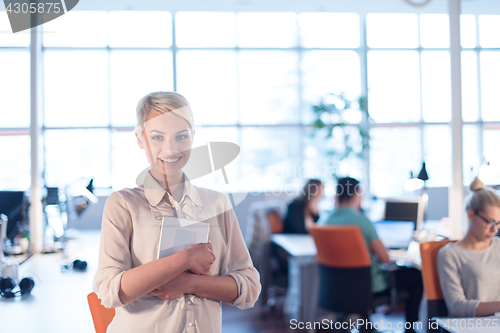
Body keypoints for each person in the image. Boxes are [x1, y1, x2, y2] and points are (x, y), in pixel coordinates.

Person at [93, 91, 261, 333]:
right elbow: (110, 292)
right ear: (141, 139)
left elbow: (250, 288)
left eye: (181, 136)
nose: (170, 149)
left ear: (193, 136)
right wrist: (185, 259)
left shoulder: (217, 204)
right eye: (157, 137)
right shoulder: (123, 204)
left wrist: (190, 283)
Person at [323, 177, 423, 333]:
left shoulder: (325, 222)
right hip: (367, 288)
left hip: (337, 289)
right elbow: (384, 258)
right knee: (416, 276)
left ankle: (366, 324)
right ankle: (410, 329)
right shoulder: (362, 222)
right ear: (357, 194)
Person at [438, 177, 500, 318]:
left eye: (498, 223)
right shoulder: (450, 255)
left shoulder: (498, 245)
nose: (494, 230)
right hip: (474, 326)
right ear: (471, 215)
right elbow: (457, 306)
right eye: (490, 222)